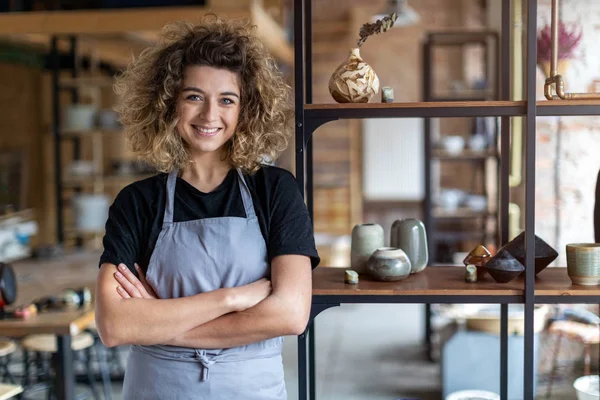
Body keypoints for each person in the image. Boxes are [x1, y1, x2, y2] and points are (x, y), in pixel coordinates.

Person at [95, 16, 319, 399]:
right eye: (194, 96)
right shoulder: (137, 202)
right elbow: (114, 325)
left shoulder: (275, 190)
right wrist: (229, 299)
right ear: (168, 103)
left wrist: (160, 323)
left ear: (246, 110)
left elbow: (291, 314)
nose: (209, 115)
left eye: (227, 100)